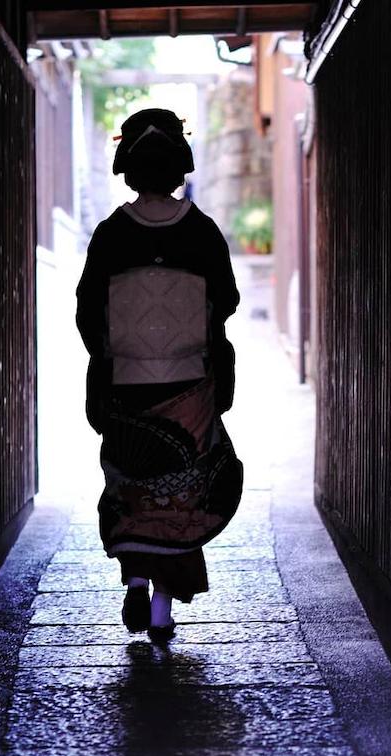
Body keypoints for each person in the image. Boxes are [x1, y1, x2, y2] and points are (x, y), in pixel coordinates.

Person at [76, 108, 243, 640]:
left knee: (133, 486)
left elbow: (87, 311)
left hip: (127, 384)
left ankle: (134, 585)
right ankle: (163, 608)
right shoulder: (201, 230)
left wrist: (113, 356)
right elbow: (228, 300)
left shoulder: (111, 234)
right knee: (182, 491)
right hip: (188, 385)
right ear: (180, 168)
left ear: (128, 169)